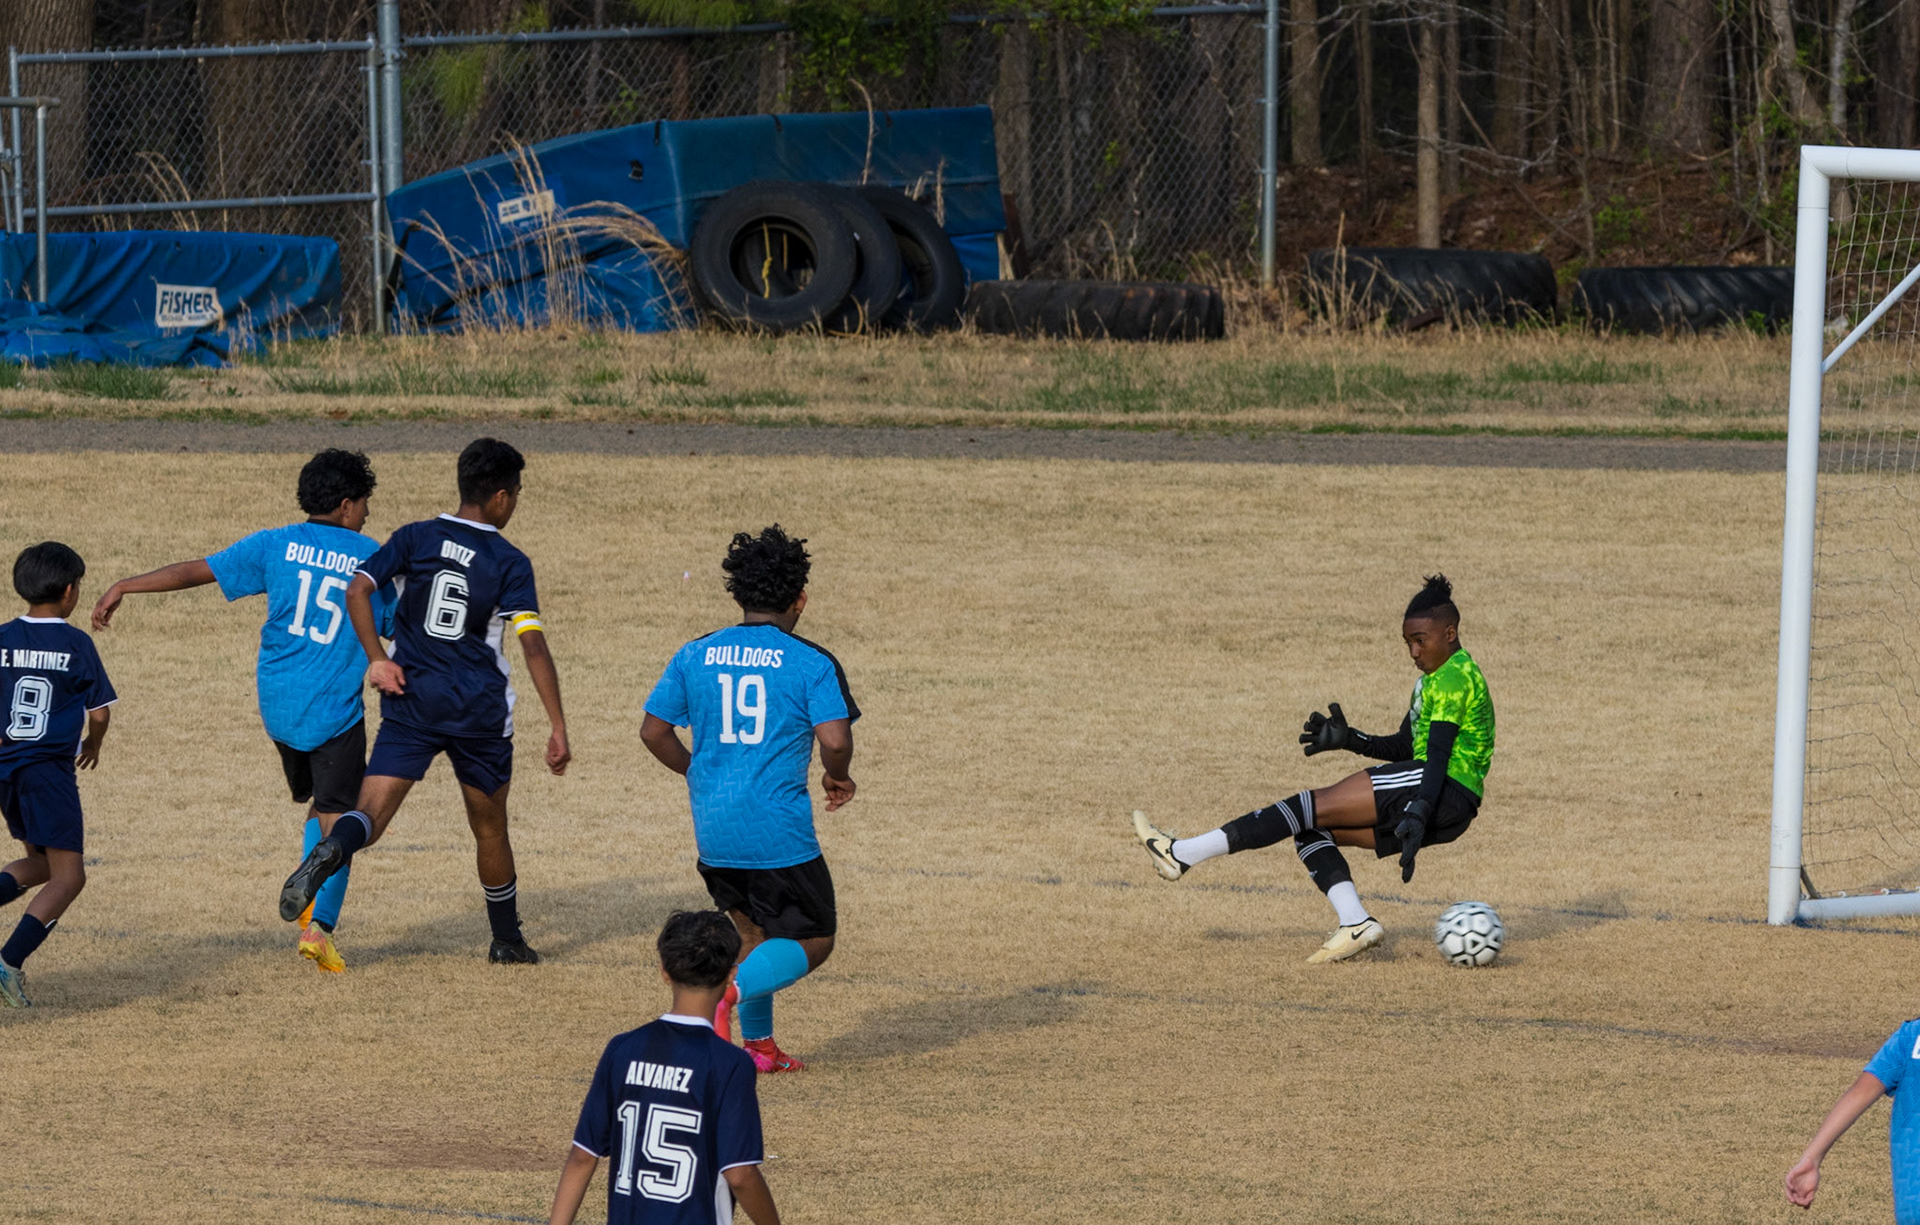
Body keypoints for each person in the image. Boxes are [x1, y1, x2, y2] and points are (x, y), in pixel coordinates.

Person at [90, 448, 392, 974]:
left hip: (278, 707)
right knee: (343, 821)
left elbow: (194, 571)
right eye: (365, 503)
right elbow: (394, 625)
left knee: (320, 805)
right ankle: (320, 931)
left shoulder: (275, 543)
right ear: (347, 505)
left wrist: (125, 585)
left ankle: (309, 903)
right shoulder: (372, 558)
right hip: (333, 711)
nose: (367, 514)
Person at [278, 438, 571, 964]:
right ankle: (506, 941)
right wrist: (557, 724)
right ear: (501, 497)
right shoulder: (509, 561)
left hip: (411, 701)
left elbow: (356, 590)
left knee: (369, 813)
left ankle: (332, 847)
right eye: (517, 493)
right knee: (489, 827)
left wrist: (377, 658)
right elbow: (533, 645)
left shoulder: (416, 537)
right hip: (477, 714)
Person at [1131, 574, 1494, 963]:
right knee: (1310, 831)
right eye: (1408, 642)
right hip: (1447, 802)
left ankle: (1182, 853)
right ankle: (1355, 922)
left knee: (1305, 806)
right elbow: (1406, 746)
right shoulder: (1432, 682)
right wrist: (1351, 739)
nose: (1413, 652)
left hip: (1442, 786)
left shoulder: (1455, 676)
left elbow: (1437, 755)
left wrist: (1421, 807)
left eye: (1420, 640)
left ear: (1450, 633)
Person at [640, 525, 858, 1073]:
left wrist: (698, 773)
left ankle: (759, 1049)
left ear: (738, 593)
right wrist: (838, 776)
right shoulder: (810, 662)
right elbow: (834, 739)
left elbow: (653, 731)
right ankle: (726, 996)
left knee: (754, 936)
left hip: (715, 828)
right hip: (776, 832)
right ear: (799, 599)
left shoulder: (695, 653)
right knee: (815, 936)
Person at [547, 909, 780, 1225]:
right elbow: (740, 1174)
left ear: (664, 970)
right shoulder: (730, 1064)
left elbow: (582, 1156)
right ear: (731, 974)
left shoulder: (622, 1049)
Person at [0, 543, 116, 1008]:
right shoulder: (75, 644)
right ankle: (8, 963)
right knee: (69, 878)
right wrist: (93, 744)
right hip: (48, 773)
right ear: (69, 591)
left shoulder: (2, 637)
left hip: (7, 773)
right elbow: (100, 713)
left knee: (44, 865)